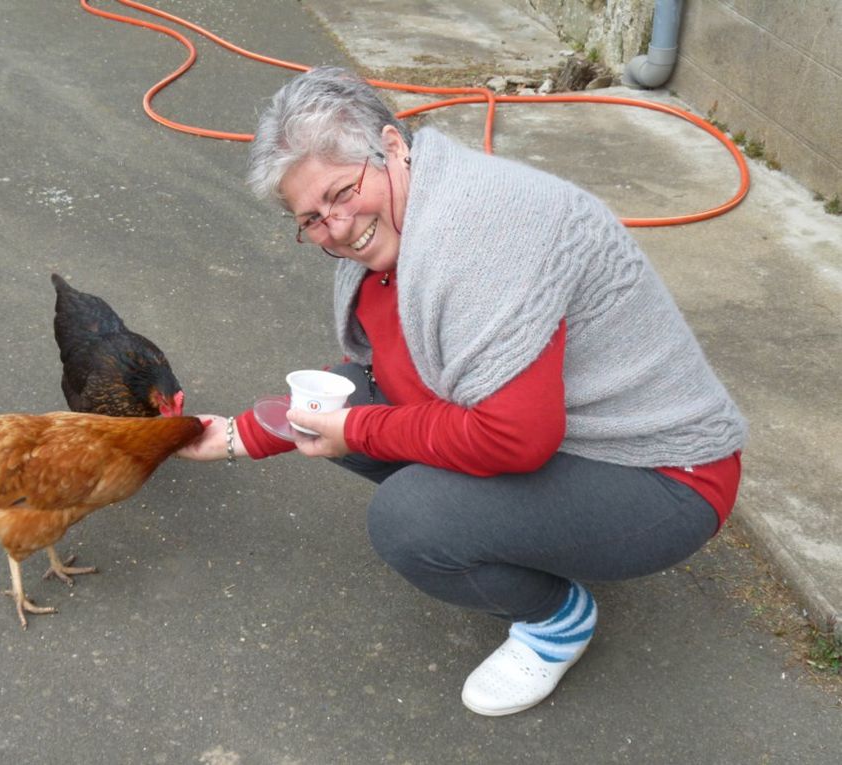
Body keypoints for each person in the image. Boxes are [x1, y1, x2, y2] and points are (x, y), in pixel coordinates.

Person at [177, 66, 747, 716]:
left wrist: (355, 431)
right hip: (569, 441)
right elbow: (372, 371)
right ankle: (530, 534)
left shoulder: (477, 237)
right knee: (362, 400)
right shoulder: (395, 229)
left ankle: (557, 618)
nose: (336, 226)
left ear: (392, 147)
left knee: (410, 518)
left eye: (342, 192)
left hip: (666, 476)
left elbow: (515, 437)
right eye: (311, 218)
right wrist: (238, 434)